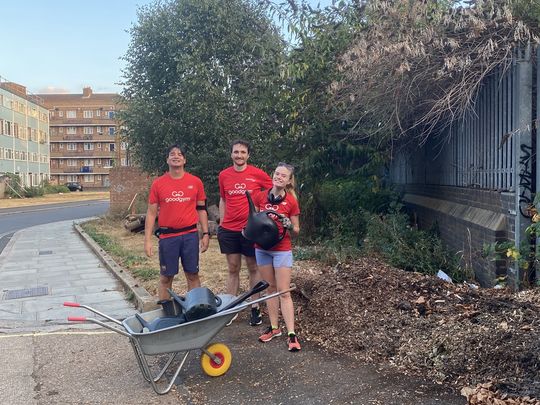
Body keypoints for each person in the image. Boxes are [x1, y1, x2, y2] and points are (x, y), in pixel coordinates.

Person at [144, 145, 210, 301]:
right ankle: (167, 315)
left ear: (184, 160)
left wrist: (206, 234)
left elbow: (201, 209)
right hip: (168, 237)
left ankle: (196, 309)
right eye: (172, 154)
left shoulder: (195, 182)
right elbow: (151, 212)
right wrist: (147, 240)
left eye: (180, 154)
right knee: (166, 278)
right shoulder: (158, 184)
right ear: (167, 159)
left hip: (190, 236)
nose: (176, 156)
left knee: (192, 274)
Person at [218, 140, 272, 325]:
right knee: (233, 268)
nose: (239, 155)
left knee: (253, 267)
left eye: (243, 152)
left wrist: (264, 213)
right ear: (231, 154)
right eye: (236, 152)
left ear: (248, 155)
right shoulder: (224, 175)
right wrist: (222, 222)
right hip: (229, 229)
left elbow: (273, 191)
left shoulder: (257, 174)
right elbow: (223, 199)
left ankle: (255, 308)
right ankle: (229, 308)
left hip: (250, 229)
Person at [252, 162, 301, 352]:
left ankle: (291, 334)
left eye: (283, 176)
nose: (279, 177)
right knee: (270, 289)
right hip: (262, 248)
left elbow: (297, 230)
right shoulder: (261, 196)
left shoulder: (291, 201)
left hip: (281, 248)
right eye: (277, 174)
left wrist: (288, 224)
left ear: (288, 181)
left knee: (284, 291)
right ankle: (274, 328)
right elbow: (254, 220)